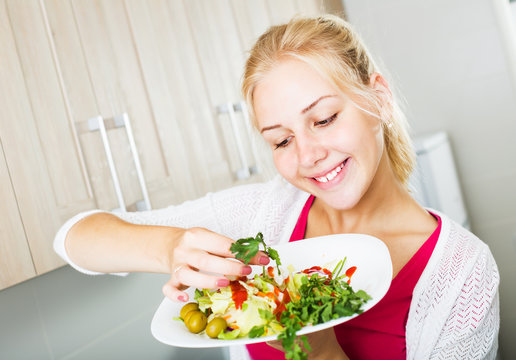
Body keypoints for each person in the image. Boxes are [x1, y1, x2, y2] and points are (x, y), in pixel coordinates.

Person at [54, 14, 499, 360]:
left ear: (378, 99)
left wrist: (320, 352)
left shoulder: (463, 273)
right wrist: (171, 247)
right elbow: (75, 237)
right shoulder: (264, 215)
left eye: (323, 119)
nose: (307, 155)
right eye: (282, 140)